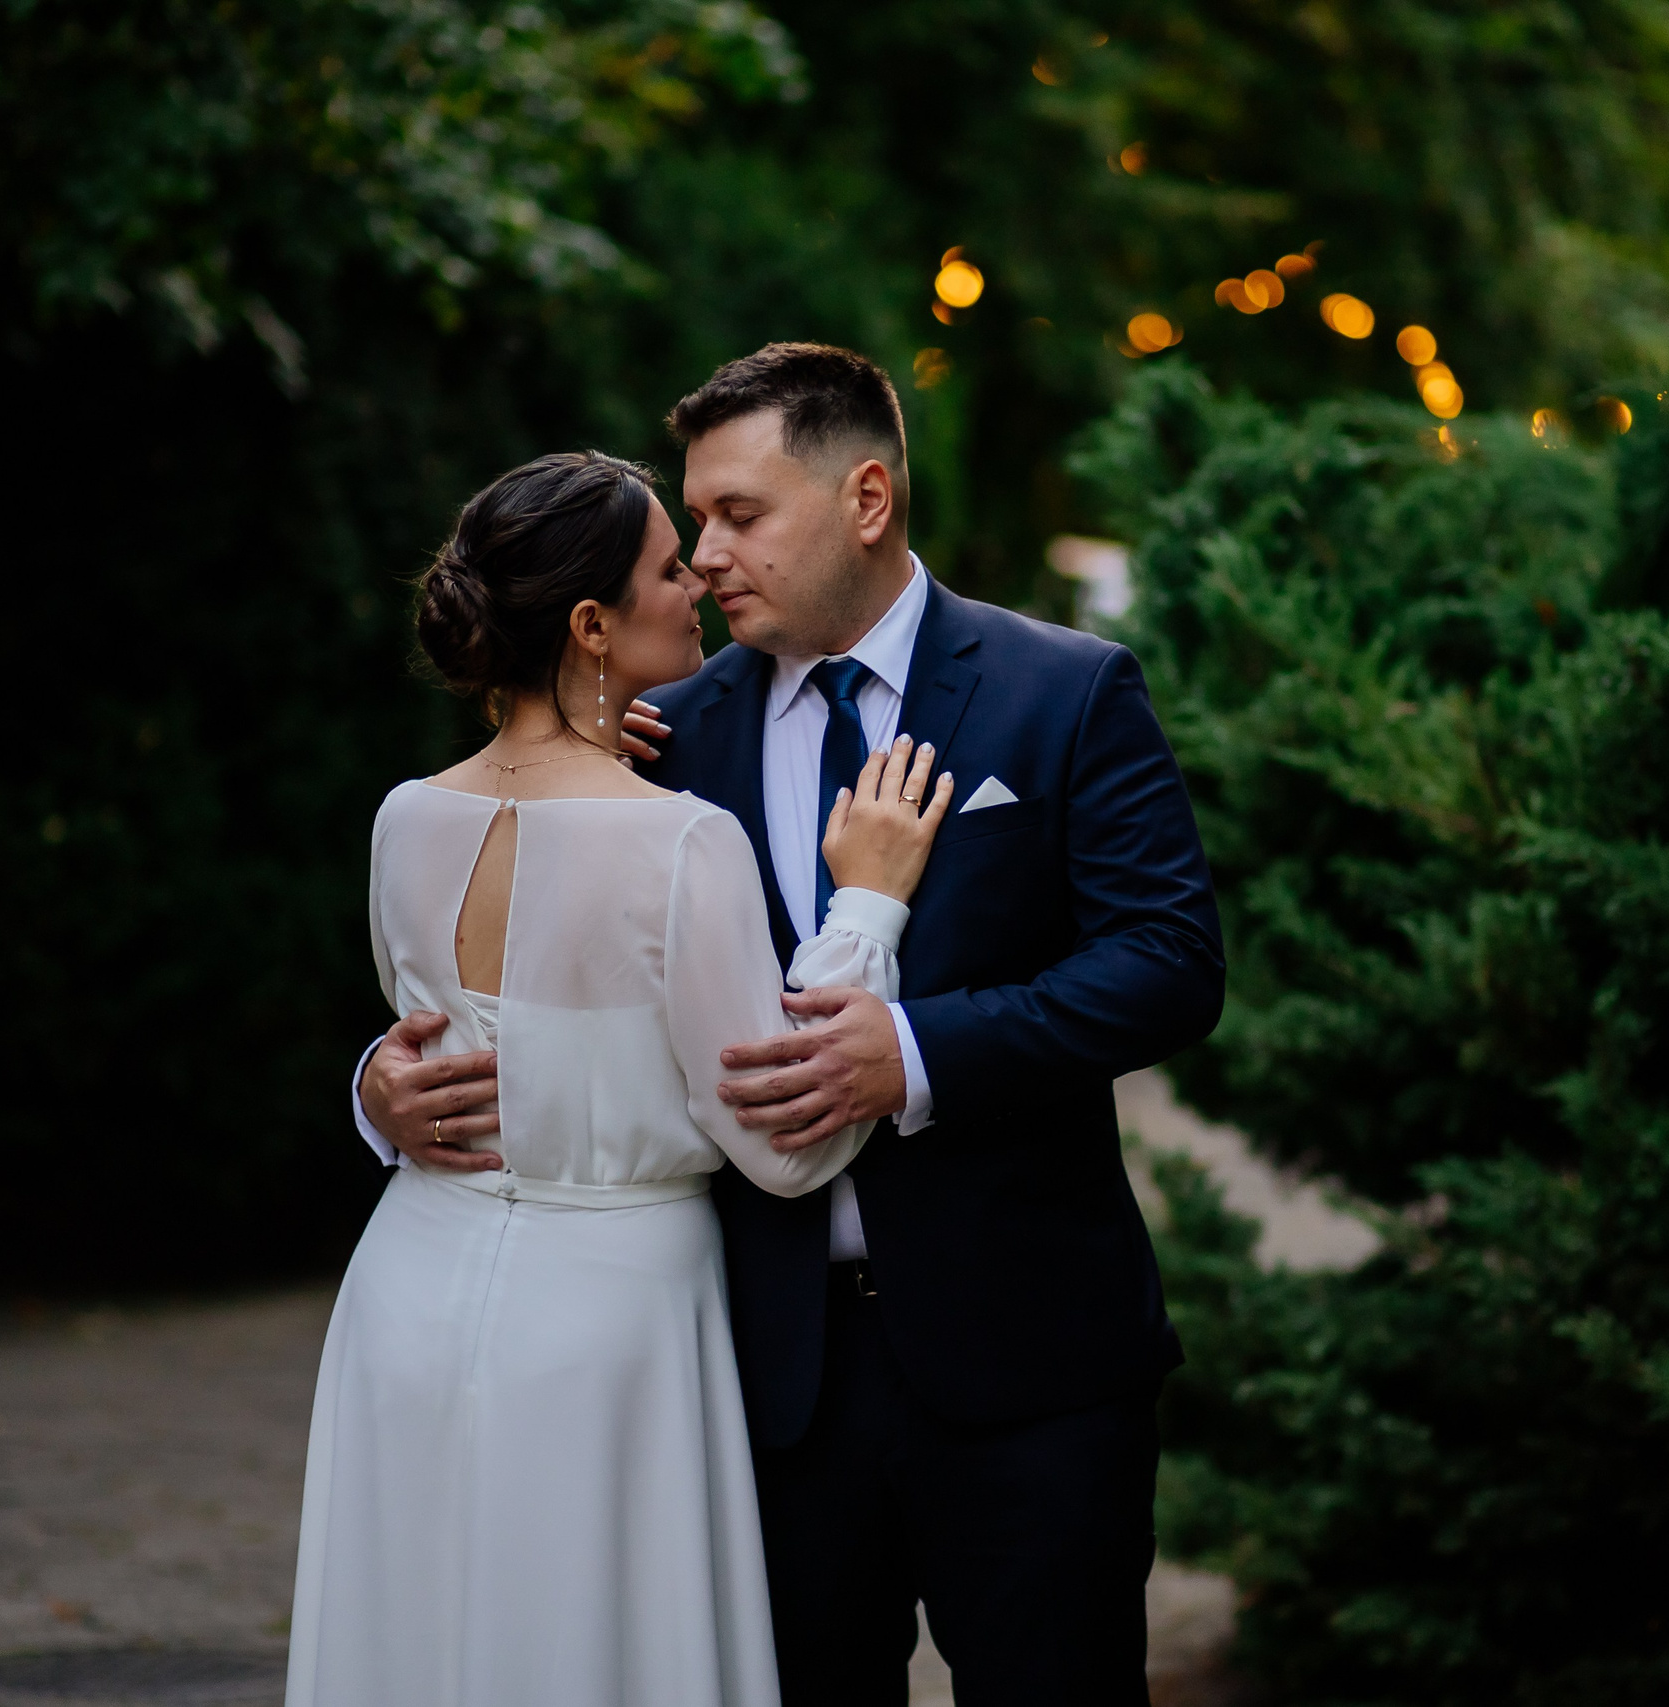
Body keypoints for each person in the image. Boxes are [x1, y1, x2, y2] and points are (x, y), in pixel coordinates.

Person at [359, 345, 1226, 1705]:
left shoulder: (1061, 689)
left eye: (739, 514)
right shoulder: (656, 730)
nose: (703, 555)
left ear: (865, 497)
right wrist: (381, 1087)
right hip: (755, 1375)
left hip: (1029, 1362)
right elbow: (531, 959)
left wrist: (920, 1053)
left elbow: (1168, 960)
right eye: (693, 521)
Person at [287, 449, 954, 1707]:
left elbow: (434, 1039)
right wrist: (865, 905)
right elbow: (785, 1139)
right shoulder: (679, 839)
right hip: (605, 1326)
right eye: (665, 567)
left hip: (401, 1299)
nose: (697, 580)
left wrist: (379, 1086)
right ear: (592, 627)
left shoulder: (403, 817)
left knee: (423, 1644)